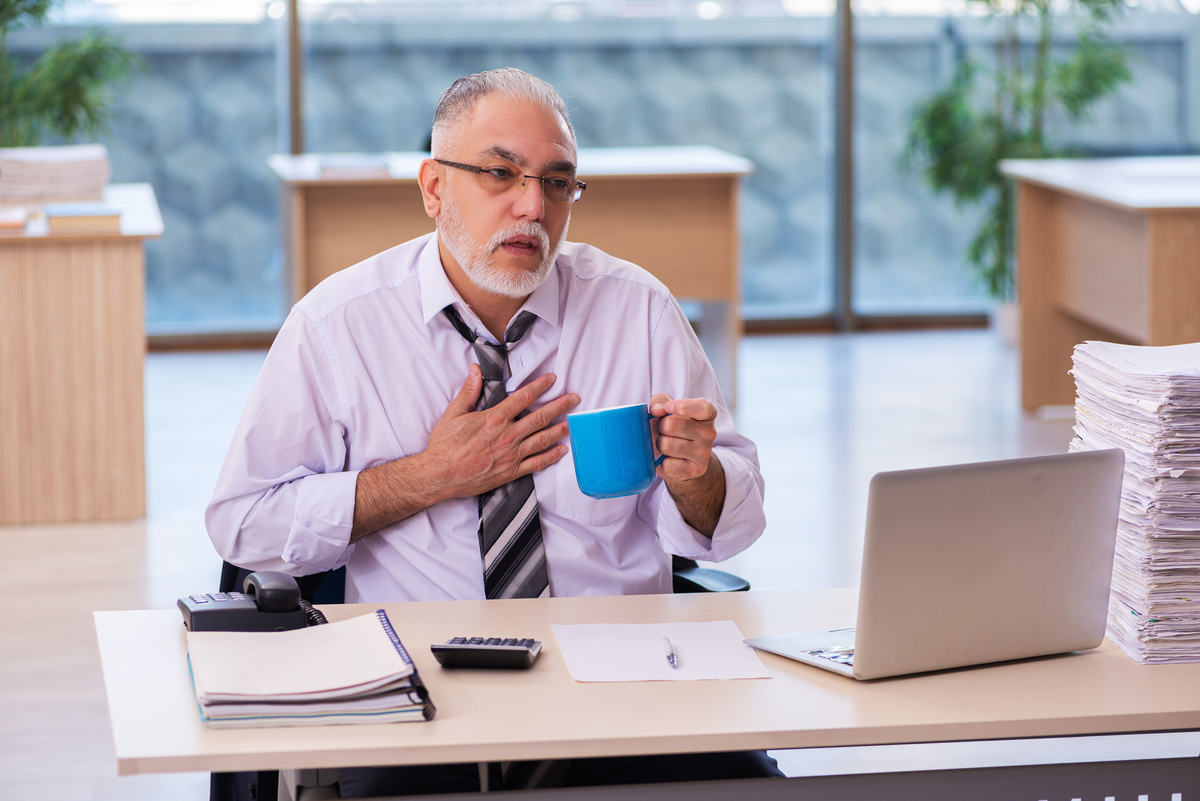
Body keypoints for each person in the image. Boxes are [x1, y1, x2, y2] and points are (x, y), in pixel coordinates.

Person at [205, 67, 778, 794]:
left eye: (558, 181)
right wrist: (426, 477)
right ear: (434, 187)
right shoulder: (336, 327)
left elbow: (736, 518)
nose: (533, 205)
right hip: (424, 693)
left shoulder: (638, 310)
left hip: (618, 686)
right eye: (500, 173)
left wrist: (700, 478)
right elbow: (242, 524)